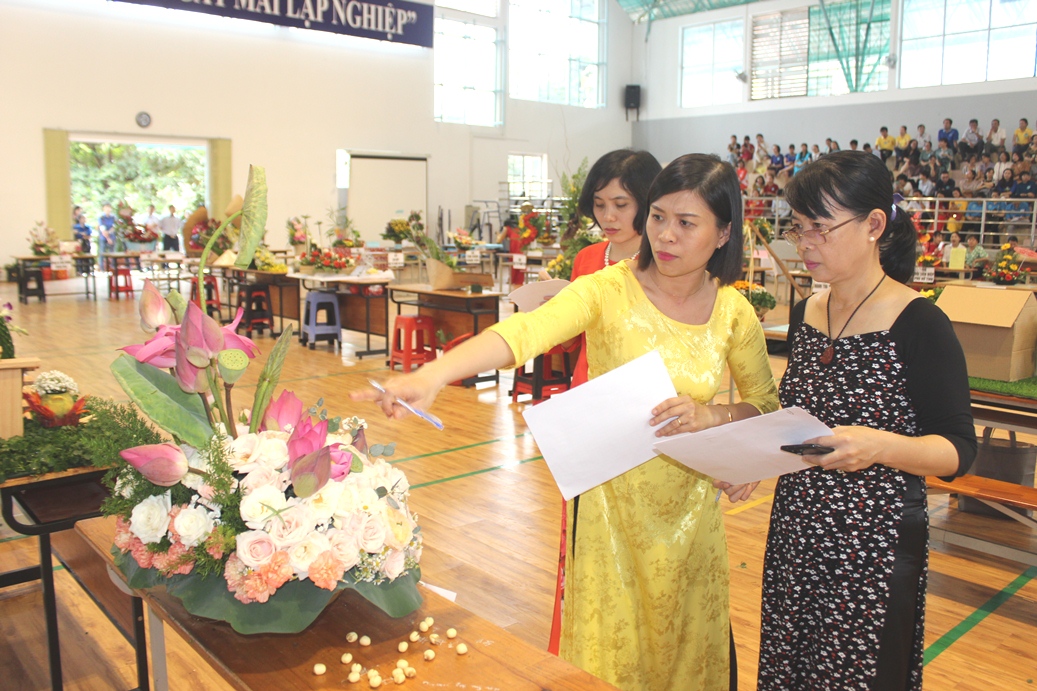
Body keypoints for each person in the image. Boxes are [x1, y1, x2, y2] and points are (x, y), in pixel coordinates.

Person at [355, 154, 781, 691]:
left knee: (685, 651)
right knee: (611, 655)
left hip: (691, 518)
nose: (666, 235)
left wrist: (715, 418)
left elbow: (764, 404)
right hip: (608, 511)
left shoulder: (733, 313)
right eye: (658, 217)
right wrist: (436, 373)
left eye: (686, 223)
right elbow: (529, 331)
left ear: (723, 235)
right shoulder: (608, 289)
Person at [735, 150, 976, 691]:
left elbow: (959, 451)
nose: (807, 244)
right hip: (799, 528)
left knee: (857, 674)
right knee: (790, 667)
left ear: (873, 225)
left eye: (821, 228)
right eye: (799, 229)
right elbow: (798, 424)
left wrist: (879, 446)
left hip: (873, 539)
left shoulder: (920, 323)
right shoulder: (807, 312)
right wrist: (752, 459)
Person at [97, 203, 116, 270]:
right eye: (106, 207)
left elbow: (114, 226)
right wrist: (107, 237)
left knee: (112, 252)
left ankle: (113, 267)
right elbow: (102, 228)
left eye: (109, 207)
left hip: (112, 236)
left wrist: (109, 233)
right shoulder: (101, 217)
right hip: (103, 237)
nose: (108, 209)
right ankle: (102, 268)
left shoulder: (113, 217)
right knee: (102, 252)